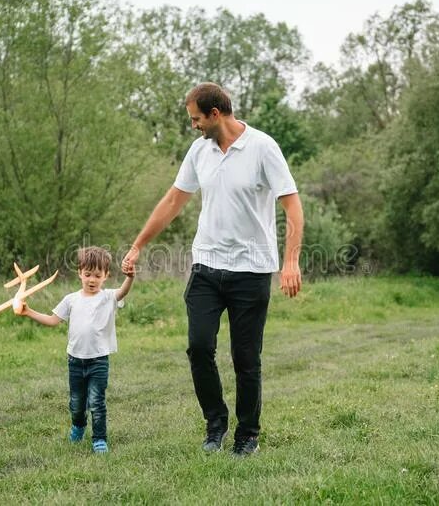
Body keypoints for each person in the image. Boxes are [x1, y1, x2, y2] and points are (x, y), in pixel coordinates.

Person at [121, 82, 303, 456]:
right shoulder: (199, 151)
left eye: (196, 119)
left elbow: (292, 207)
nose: (194, 126)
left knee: (245, 358)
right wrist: (139, 244)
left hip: (251, 271)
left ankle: (248, 434)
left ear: (215, 114)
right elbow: (174, 200)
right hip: (206, 267)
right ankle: (215, 423)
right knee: (199, 347)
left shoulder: (262, 148)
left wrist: (290, 261)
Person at [18, 246, 134, 454]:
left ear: (106, 275)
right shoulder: (71, 299)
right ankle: (78, 425)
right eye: (87, 274)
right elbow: (53, 320)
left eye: (97, 275)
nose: (92, 279)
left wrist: (130, 277)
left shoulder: (107, 297)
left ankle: (99, 439)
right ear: (80, 272)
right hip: (75, 361)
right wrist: (29, 312)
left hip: (98, 361)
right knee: (76, 403)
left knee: (97, 402)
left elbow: (123, 291)